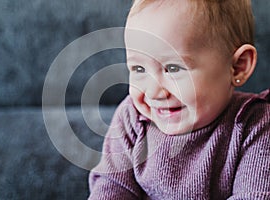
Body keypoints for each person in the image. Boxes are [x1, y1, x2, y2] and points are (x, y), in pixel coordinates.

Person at [88, 0, 270, 199]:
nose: (154, 92)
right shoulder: (132, 118)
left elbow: (254, 194)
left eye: (173, 68)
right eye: (139, 69)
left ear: (238, 66)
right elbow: (112, 185)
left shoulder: (255, 125)